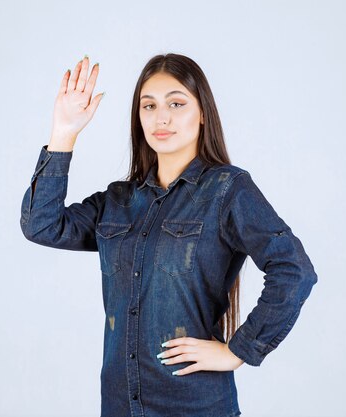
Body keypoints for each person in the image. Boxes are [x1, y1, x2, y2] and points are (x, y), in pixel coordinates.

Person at [20, 53, 318, 417]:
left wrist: (238, 351)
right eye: (149, 106)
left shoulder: (227, 190)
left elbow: (294, 269)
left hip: (195, 405)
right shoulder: (117, 201)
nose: (161, 117)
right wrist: (63, 132)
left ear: (203, 112)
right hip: (120, 406)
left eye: (176, 103)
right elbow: (42, 225)